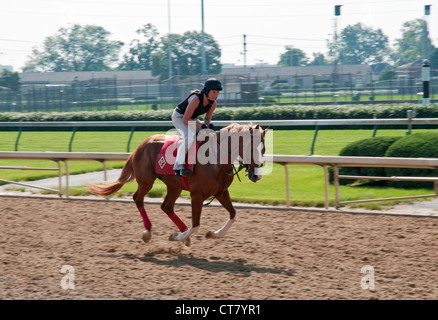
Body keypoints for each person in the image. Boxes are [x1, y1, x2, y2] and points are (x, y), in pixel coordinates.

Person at [172, 78, 223, 177]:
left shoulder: (213, 103)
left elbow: (207, 119)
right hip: (179, 117)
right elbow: (185, 120)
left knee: (208, 135)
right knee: (189, 138)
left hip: (192, 119)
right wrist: (202, 125)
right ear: (207, 91)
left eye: (217, 93)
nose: (215, 95)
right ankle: (178, 167)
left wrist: (209, 125)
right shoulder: (196, 99)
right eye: (213, 92)